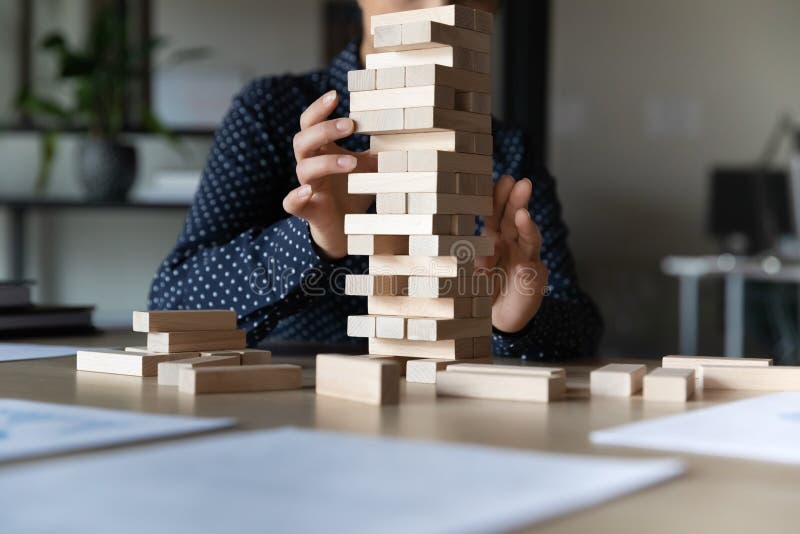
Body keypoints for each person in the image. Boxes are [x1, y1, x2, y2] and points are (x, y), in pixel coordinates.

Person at [148, 0, 603, 360]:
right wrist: (317, 241)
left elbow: (580, 325)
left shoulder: (506, 150)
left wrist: (517, 319)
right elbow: (171, 305)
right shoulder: (270, 113)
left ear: (496, 10)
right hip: (298, 398)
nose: (438, 10)